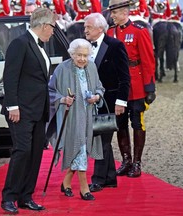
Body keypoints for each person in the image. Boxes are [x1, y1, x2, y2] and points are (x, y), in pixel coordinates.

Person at [0, 8, 57, 213]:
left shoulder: (41, 46)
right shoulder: (20, 43)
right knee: (22, 151)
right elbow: (10, 76)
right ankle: (9, 197)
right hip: (21, 111)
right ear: (44, 26)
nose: (53, 31)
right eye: (52, 27)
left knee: (34, 155)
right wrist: (12, 106)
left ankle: (26, 196)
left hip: (39, 110)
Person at [47, 38, 105, 201]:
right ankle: (84, 188)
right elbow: (50, 91)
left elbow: (100, 87)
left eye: (85, 56)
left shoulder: (92, 67)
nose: (82, 59)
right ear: (72, 54)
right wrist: (63, 99)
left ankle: (66, 183)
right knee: (79, 147)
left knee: (82, 148)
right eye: (79, 55)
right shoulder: (62, 68)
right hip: (70, 116)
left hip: (88, 115)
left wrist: (97, 96)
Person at [107, 0, 156, 178]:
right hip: (118, 86)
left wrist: (149, 87)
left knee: (137, 123)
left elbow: (148, 60)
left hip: (136, 85)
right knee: (120, 124)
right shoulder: (110, 33)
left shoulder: (139, 32)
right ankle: (126, 161)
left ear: (125, 13)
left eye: (115, 13)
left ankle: (137, 162)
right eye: (112, 13)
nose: (112, 16)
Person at [83, 13, 130, 192]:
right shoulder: (84, 46)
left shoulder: (115, 46)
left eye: (88, 27)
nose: (85, 30)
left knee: (101, 141)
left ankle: (98, 179)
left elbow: (125, 78)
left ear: (100, 28)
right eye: (85, 27)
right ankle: (110, 178)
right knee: (102, 140)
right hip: (91, 103)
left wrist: (121, 102)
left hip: (110, 102)